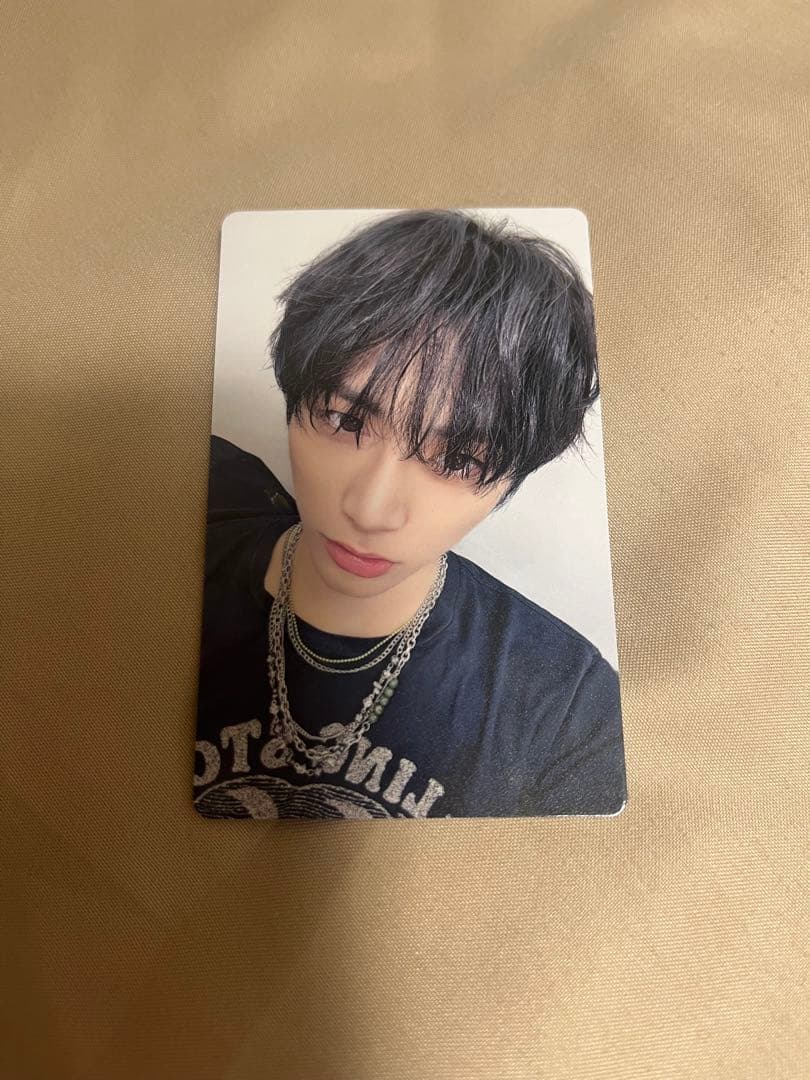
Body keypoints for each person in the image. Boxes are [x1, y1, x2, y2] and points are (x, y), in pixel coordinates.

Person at [193, 209, 627, 820]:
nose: (370, 510)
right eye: (345, 420)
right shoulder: (164, 543)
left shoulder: (568, 711)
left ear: (513, 476)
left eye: (458, 458)